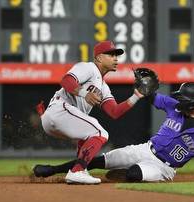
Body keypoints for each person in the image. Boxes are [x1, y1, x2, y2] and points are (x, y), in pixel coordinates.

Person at [33, 82, 194, 182]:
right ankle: (52, 170)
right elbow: (152, 97)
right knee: (96, 160)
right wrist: (144, 86)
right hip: (145, 149)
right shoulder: (174, 106)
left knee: (133, 174)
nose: (177, 100)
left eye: (183, 98)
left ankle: (127, 172)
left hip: (163, 168)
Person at [35, 40, 145, 184]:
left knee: (88, 135)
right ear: (99, 57)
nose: (116, 58)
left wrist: (136, 97)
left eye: (116, 55)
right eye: (111, 55)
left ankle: (79, 169)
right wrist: (83, 93)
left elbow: (114, 111)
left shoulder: (103, 87)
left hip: (56, 119)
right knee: (100, 133)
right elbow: (66, 80)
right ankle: (77, 171)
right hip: (59, 110)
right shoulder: (88, 67)